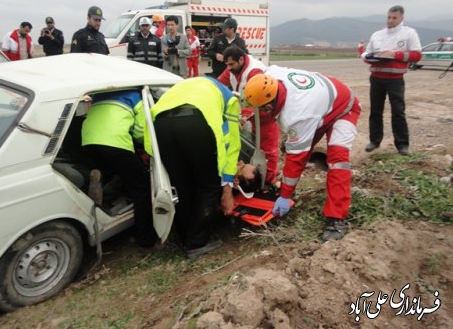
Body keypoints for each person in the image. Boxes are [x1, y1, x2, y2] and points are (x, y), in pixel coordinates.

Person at [243, 67, 361, 241]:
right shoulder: (272, 76)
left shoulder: (298, 115)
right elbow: (256, 72)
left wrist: (285, 196)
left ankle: (336, 218)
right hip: (322, 105)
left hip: (345, 108)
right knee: (295, 146)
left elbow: (296, 159)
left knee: (337, 161)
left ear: (268, 106)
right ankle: (288, 188)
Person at [144, 77, 255, 258]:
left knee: (183, 185)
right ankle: (196, 243)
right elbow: (232, 144)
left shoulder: (188, 84)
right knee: (208, 185)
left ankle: (184, 238)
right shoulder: (230, 100)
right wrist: (226, 184)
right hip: (194, 123)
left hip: (161, 126)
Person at [81, 90, 157, 248]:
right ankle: (146, 241)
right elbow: (141, 130)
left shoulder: (100, 95)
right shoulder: (137, 96)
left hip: (88, 140)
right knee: (141, 188)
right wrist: (142, 144)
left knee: (115, 172)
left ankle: (106, 190)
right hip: (116, 142)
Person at [361, 5, 422, 155]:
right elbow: (368, 54)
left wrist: (395, 55)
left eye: (394, 18)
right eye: (389, 17)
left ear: (401, 18)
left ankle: (402, 145)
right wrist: (368, 57)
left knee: (398, 112)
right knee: (375, 111)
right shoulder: (377, 34)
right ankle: (374, 141)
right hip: (376, 78)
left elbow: (416, 55)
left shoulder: (409, 33)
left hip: (395, 79)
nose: (390, 20)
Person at [218, 46, 280, 185]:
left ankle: (267, 181)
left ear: (241, 59)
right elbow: (220, 82)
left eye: (231, 64)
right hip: (251, 114)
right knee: (253, 146)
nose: (228, 68)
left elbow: (255, 97)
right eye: (227, 65)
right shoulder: (233, 69)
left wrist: (243, 117)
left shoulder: (254, 72)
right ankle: (253, 177)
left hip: (264, 114)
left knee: (268, 151)